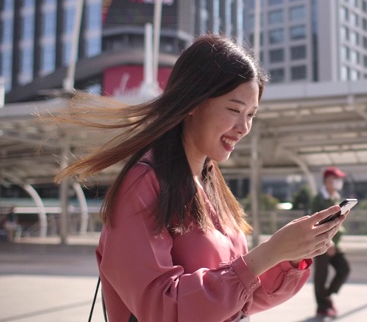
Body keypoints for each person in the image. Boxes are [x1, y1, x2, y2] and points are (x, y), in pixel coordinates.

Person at [52, 34, 346, 322]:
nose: (244, 127)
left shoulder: (210, 181)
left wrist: (291, 255)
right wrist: (268, 253)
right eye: (234, 109)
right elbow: (161, 309)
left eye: (251, 114)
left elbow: (243, 300)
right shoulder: (144, 181)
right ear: (192, 101)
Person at [310, 166, 351, 317]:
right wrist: (329, 242)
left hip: (335, 243)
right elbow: (315, 222)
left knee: (344, 269)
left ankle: (325, 296)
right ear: (327, 181)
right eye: (336, 179)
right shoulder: (318, 199)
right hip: (321, 243)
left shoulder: (336, 197)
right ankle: (322, 306)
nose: (339, 182)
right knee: (321, 274)